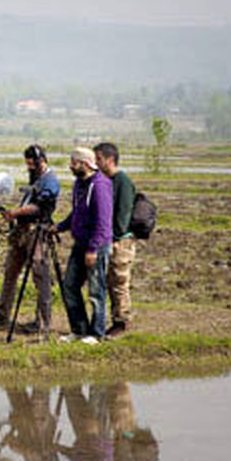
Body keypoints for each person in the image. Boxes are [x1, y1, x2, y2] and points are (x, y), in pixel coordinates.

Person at [0, 145, 61, 334]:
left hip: (37, 232)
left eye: (32, 164)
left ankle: (42, 321)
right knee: (10, 272)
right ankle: (2, 315)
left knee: (40, 276)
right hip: (22, 232)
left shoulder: (50, 180)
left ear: (41, 160)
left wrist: (15, 212)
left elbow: (40, 207)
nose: (29, 167)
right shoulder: (36, 178)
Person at [55, 147, 113, 343]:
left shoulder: (100, 186)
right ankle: (79, 329)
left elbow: (103, 222)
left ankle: (97, 333)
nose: (71, 166)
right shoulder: (79, 184)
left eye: (74, 162)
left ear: (86, 164)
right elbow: (77, 214)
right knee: (69, 285)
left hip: (95, 246)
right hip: (80, 244)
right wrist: (60, 227)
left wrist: (93, 249)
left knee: (96, 291)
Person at [93, 143, 137, 339]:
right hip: (109, 239)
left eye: (99, 159)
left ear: (110, 160)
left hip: (120, 241)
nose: (96, 163)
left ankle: (122, 322)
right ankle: (112, 320)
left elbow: (123, 214)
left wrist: (116, 238)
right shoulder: (105, 180)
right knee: (109, 281)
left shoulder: (122, 181)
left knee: (119, 281)